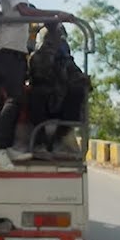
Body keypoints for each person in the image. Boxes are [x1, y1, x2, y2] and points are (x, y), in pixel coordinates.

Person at [0, 0, 78, 170]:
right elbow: (24, 11)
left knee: (18, 99)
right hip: (7, 49)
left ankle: (7, 147)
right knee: (14, 98)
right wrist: (56, 14)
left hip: (15, 50)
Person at [27, 22, 90, 157]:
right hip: (43, 100)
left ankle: (60, 137)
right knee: (37, 94)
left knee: (78, 90)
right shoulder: (35, 57)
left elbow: (76, 75)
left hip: (61, 100)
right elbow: (37, 75)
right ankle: (40, 142)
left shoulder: (66, 60)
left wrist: (80, 80)